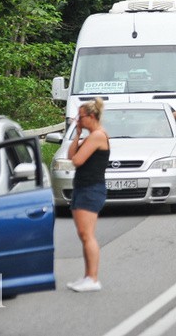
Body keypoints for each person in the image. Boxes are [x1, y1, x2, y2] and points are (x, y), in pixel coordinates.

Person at [67, 99, 111, 292]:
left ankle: (93, 278)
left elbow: (77, 160)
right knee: (83, 235)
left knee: (87, 235)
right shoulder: (90, 136)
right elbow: (70, 155)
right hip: (83, 187)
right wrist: (77, 134)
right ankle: (87, 276)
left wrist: (80, 138)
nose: (78, 119)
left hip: (91, 189)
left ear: (91, 116)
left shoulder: (97, 136)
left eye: (80, 116)